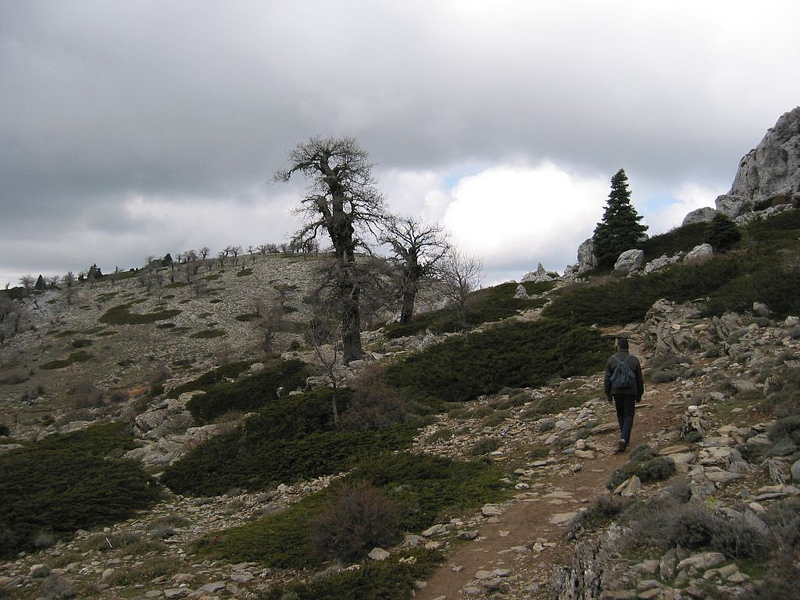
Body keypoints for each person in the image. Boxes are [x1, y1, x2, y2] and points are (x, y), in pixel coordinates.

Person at [604, 337, 644, 454]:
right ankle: (624, 438)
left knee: (620, 413)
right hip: (630, 391)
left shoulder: (612, 359)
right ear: (628, 347)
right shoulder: (634, 360)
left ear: (619, 347)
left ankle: (623, 437)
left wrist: (608, 394)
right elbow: (639, 380)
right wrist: (639, 394)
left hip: (616, 391)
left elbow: (607, 379)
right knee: (629, 415)